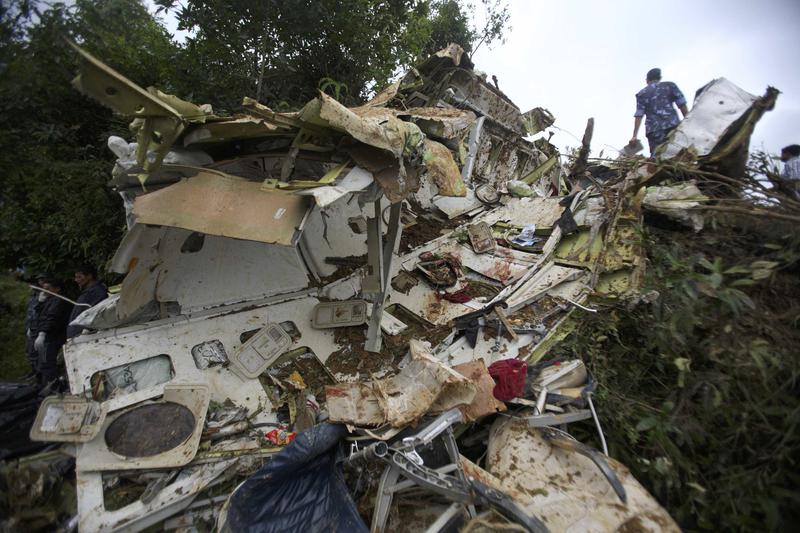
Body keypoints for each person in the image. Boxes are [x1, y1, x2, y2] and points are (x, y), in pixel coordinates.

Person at [630, 68, 689, 156]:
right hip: (673, 126)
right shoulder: (670, 85)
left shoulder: (642, 94)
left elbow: (639, 115)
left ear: (647, 80)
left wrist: (634, 136)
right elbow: (682, 105)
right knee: (679, 154)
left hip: (654, 130)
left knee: (657, 157)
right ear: (660, 77)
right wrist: (688, 121)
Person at [33, 278, 72, 385]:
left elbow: (51, 318)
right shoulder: (49, 300)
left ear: (57, 289)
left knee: (47, 364)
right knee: (44, 363)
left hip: (53, 336)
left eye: (48, 288)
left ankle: (52, 387)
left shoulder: (58, 301)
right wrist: (40, 303)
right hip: (49, 336)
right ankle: (47, 385)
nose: (44, 291)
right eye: (43, 289)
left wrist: (43, 333)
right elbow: (40, 315)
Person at [67, 263, 108, 338]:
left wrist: (87, 329)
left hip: (85, 335)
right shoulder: (87, 292)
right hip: (77, 334)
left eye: (79, 277)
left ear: (89, 276)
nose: (76, 280)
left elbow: (95, 312)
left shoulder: (97, 292)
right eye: (76, 277)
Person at [23, 273, 48, 379]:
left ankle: (40, 376)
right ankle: (35, 373)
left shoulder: (44, 295)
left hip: (40, 327)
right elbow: (30, 312)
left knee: (40, 354)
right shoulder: (34, 295)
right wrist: (28, 326)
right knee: (30, 351)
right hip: (31, 325)